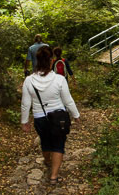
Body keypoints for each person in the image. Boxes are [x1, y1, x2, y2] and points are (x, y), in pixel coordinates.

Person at [21, 45, 80, 184]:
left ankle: (47, 160)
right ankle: (54, 176)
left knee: (45, 141)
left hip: (39, 118)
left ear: (37, 60)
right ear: (51, 61)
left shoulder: (29, 81)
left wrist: (25, 121)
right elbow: (68, 100)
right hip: (58, 118)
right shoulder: (59, 79)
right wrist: (76, 115)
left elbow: (25, 103)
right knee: (58, 145)